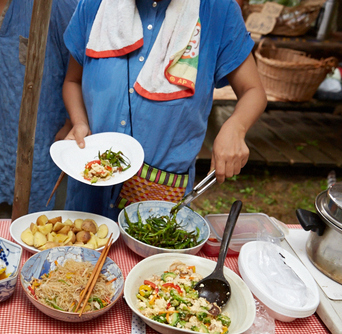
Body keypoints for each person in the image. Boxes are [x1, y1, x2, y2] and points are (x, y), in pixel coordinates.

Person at [62, 0, 267, 219]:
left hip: (158, 201)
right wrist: (79, 122)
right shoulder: (95, 6)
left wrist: (236, 126)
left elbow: (253, 90)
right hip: (89, 192)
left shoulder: (217, 10)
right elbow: (73, 81)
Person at [0, 0, 77, 218]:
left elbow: (77, 69)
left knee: (52, 232)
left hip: (48, 145)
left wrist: (69, 123)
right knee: (5, 227)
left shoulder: (57, 4)